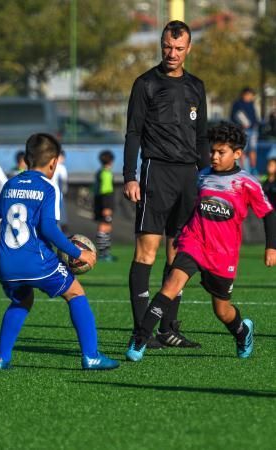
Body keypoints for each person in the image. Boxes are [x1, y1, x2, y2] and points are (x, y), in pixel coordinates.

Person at [126, 122, 276, 362]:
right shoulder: (201, 177)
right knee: (170, 286)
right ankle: (140, 339)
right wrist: (182, 231)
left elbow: (269, 214)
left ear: (237, 154)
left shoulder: (247, 183)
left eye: (221, 152)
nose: (214, 157)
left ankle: (241, 331)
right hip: (194, 243)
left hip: (222, 254)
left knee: (222, 311)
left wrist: (271, 247)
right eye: (212, 151)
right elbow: (190, 208)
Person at [0, 133, 119, 371]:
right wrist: (77, 253)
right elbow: (50, 229)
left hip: (5, 262)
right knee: (76, 293)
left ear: (27, 159)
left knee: (21, 300)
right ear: (53, 162)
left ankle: (1, 358)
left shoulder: (11, 183)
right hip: (35, 261)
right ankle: (91, 356)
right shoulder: (48, 189)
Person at [123, 20, 210, 349]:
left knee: (181, 251)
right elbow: (133, 132)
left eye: (178, 48)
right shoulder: (145, 83)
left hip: (189, 175)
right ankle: (140, 329)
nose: (171, 54)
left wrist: (207, 177)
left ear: (188, 49)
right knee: (147, 251)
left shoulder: (196, 86)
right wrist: (130, 175)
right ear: (161, 46)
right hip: (155, 172)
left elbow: (201, 137)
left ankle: (168, 328)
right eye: (166, 47)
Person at [230, 87, 259, 175]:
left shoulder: (252, 104)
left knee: (253, 150)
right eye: (249, 95)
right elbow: (233, 116)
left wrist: (255, 125)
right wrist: (240, 124)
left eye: (251, 95)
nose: (250, 97)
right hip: (242, 131)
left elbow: (255, 118)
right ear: (244, 95)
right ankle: (243, 170)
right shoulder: (237, 104)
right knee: (242, 150)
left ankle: (253, 169)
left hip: (253, 130)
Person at [94, 149, 116, 261]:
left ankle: (105, 252)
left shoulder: (100, 171)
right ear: (111, 161)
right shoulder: (106, 173)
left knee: (107, 227)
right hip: (105, 204)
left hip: (101, 203)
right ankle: (103, 254)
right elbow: (105, 191)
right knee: (104, 227)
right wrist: (106, 207)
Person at [52, 149, 69, 234]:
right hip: (58, 196)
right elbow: (64, 182)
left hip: (50, 195)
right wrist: (64, 191)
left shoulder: (49, 166)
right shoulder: (61, 168)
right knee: (60, 218)